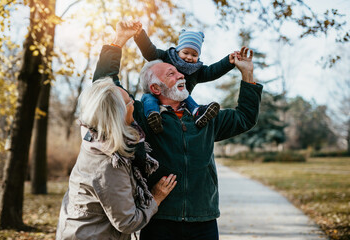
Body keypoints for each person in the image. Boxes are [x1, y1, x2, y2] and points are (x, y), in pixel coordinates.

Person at [93, 21, 263, 240]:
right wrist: (118, 42)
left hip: (204, 219)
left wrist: (247, 74)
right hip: (159, 218)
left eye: (180, 73)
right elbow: (105, 86)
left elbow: (245, 118)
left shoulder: (204, 116)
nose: (182, 75)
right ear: (155, 88)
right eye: (171, 73)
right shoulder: (142, 115)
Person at [55, 79, 177, 240]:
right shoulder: (109, 163)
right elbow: (128, 222)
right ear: (118, 113)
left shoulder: (96, 137)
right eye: (129, 102)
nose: (134, 102)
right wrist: (155, 198)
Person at [133, 22, 237, 133]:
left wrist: (228, 62)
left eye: (194, 55)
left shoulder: (197, 70)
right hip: (159, 93)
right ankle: (153, 116)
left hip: (180, 100)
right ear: (178, 50)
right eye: (185, 52)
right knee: (148, 98)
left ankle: (198, 113)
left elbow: (213, 71)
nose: (189, 57)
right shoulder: (167, 57)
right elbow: (150, 52)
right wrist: (140, 36)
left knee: (186, 96)